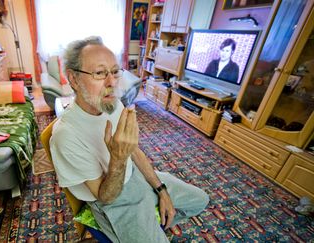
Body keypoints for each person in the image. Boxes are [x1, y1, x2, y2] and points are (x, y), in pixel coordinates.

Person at [50, 36, 209, 243]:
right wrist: (117, 158)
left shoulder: (112, 105)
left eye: (115, 72)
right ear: (73, 79)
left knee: (200, 201)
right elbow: (105, 196)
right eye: (99, 73)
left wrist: (161, 190)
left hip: (136, 177)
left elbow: (135, 152)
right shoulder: (66, 135)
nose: (112, 83)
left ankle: (152, 222)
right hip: (114, 200)